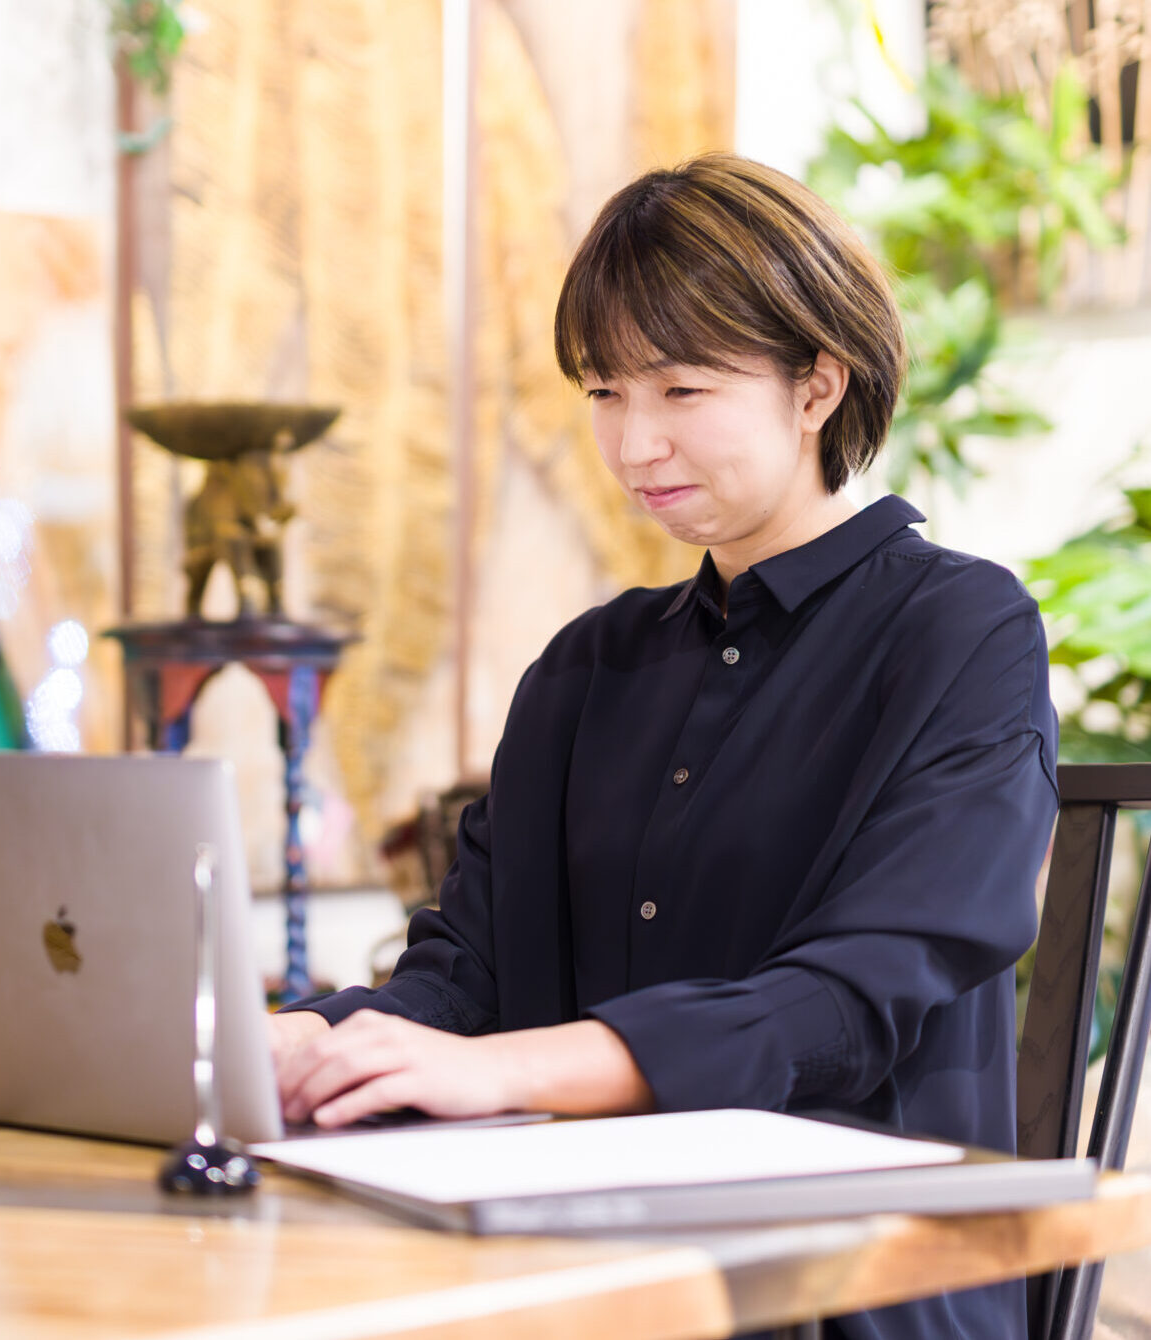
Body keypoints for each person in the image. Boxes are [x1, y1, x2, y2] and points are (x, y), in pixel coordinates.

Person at [269, 154, 1059, 1340]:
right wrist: (305, 1035)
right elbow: (467, 973)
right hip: (580, 1263)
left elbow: (847, 1002)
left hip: (844, 1283)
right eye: (604, 392)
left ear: (817, 385)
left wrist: (518, 1068)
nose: (635, 444)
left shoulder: (960, 630)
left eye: (683, 389)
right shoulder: (588, 667)